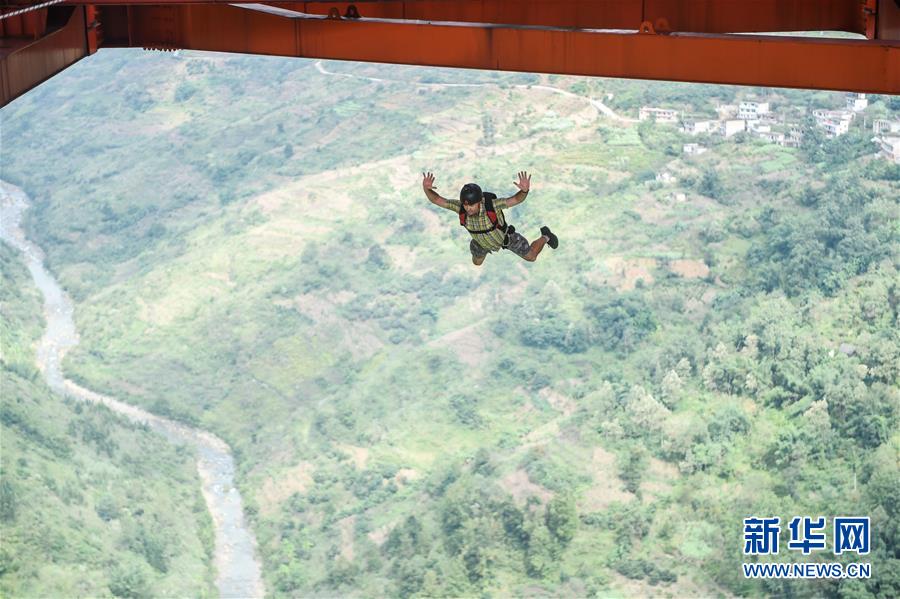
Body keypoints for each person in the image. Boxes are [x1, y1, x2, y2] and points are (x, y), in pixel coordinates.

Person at [422, 170, 558, 266]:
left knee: (531, 257)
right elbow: (437, 200)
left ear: (480, 201)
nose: (468, 208)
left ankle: (546, 236)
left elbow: (516, 199)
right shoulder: (460, 208)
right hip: (481, 243)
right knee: (477, 263)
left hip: (505, 238)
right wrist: (427, 189)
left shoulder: (491, 206)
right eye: (466, 205)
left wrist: (524, 191)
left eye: (472, 205)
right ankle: (484, 246)